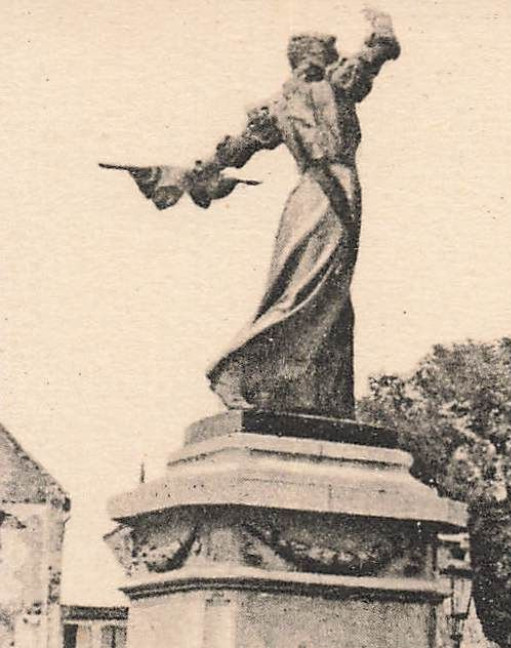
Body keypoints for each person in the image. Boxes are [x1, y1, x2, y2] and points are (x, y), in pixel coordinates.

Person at [111, 10, 401, 417]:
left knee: (330, 297)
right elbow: (377, 53)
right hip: (323, 196)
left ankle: (314, 398)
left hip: (326, 196)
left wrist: (185, 176)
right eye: (319, 60)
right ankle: (235, 371)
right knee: (306, 290)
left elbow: (228, 155)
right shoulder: (307, 96)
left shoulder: (294, 101)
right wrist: (381, 27)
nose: (324, 66)